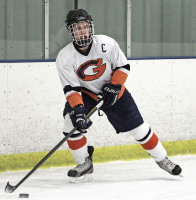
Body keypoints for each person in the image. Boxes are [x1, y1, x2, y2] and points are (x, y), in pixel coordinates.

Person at [56, 9, 182, 183]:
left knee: (139, 129)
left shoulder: (107, 44)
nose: (82, 31)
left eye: (85, 27)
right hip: (86, 94)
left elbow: (123, 67)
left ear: (90, 27)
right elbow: (71, 88)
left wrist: (114, 86)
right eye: (77, 28)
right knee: (71, 123)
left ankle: (162, 159)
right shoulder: (65, 56)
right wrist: (78, 110)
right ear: (71, 32)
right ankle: (84, 164)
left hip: (115, 91)